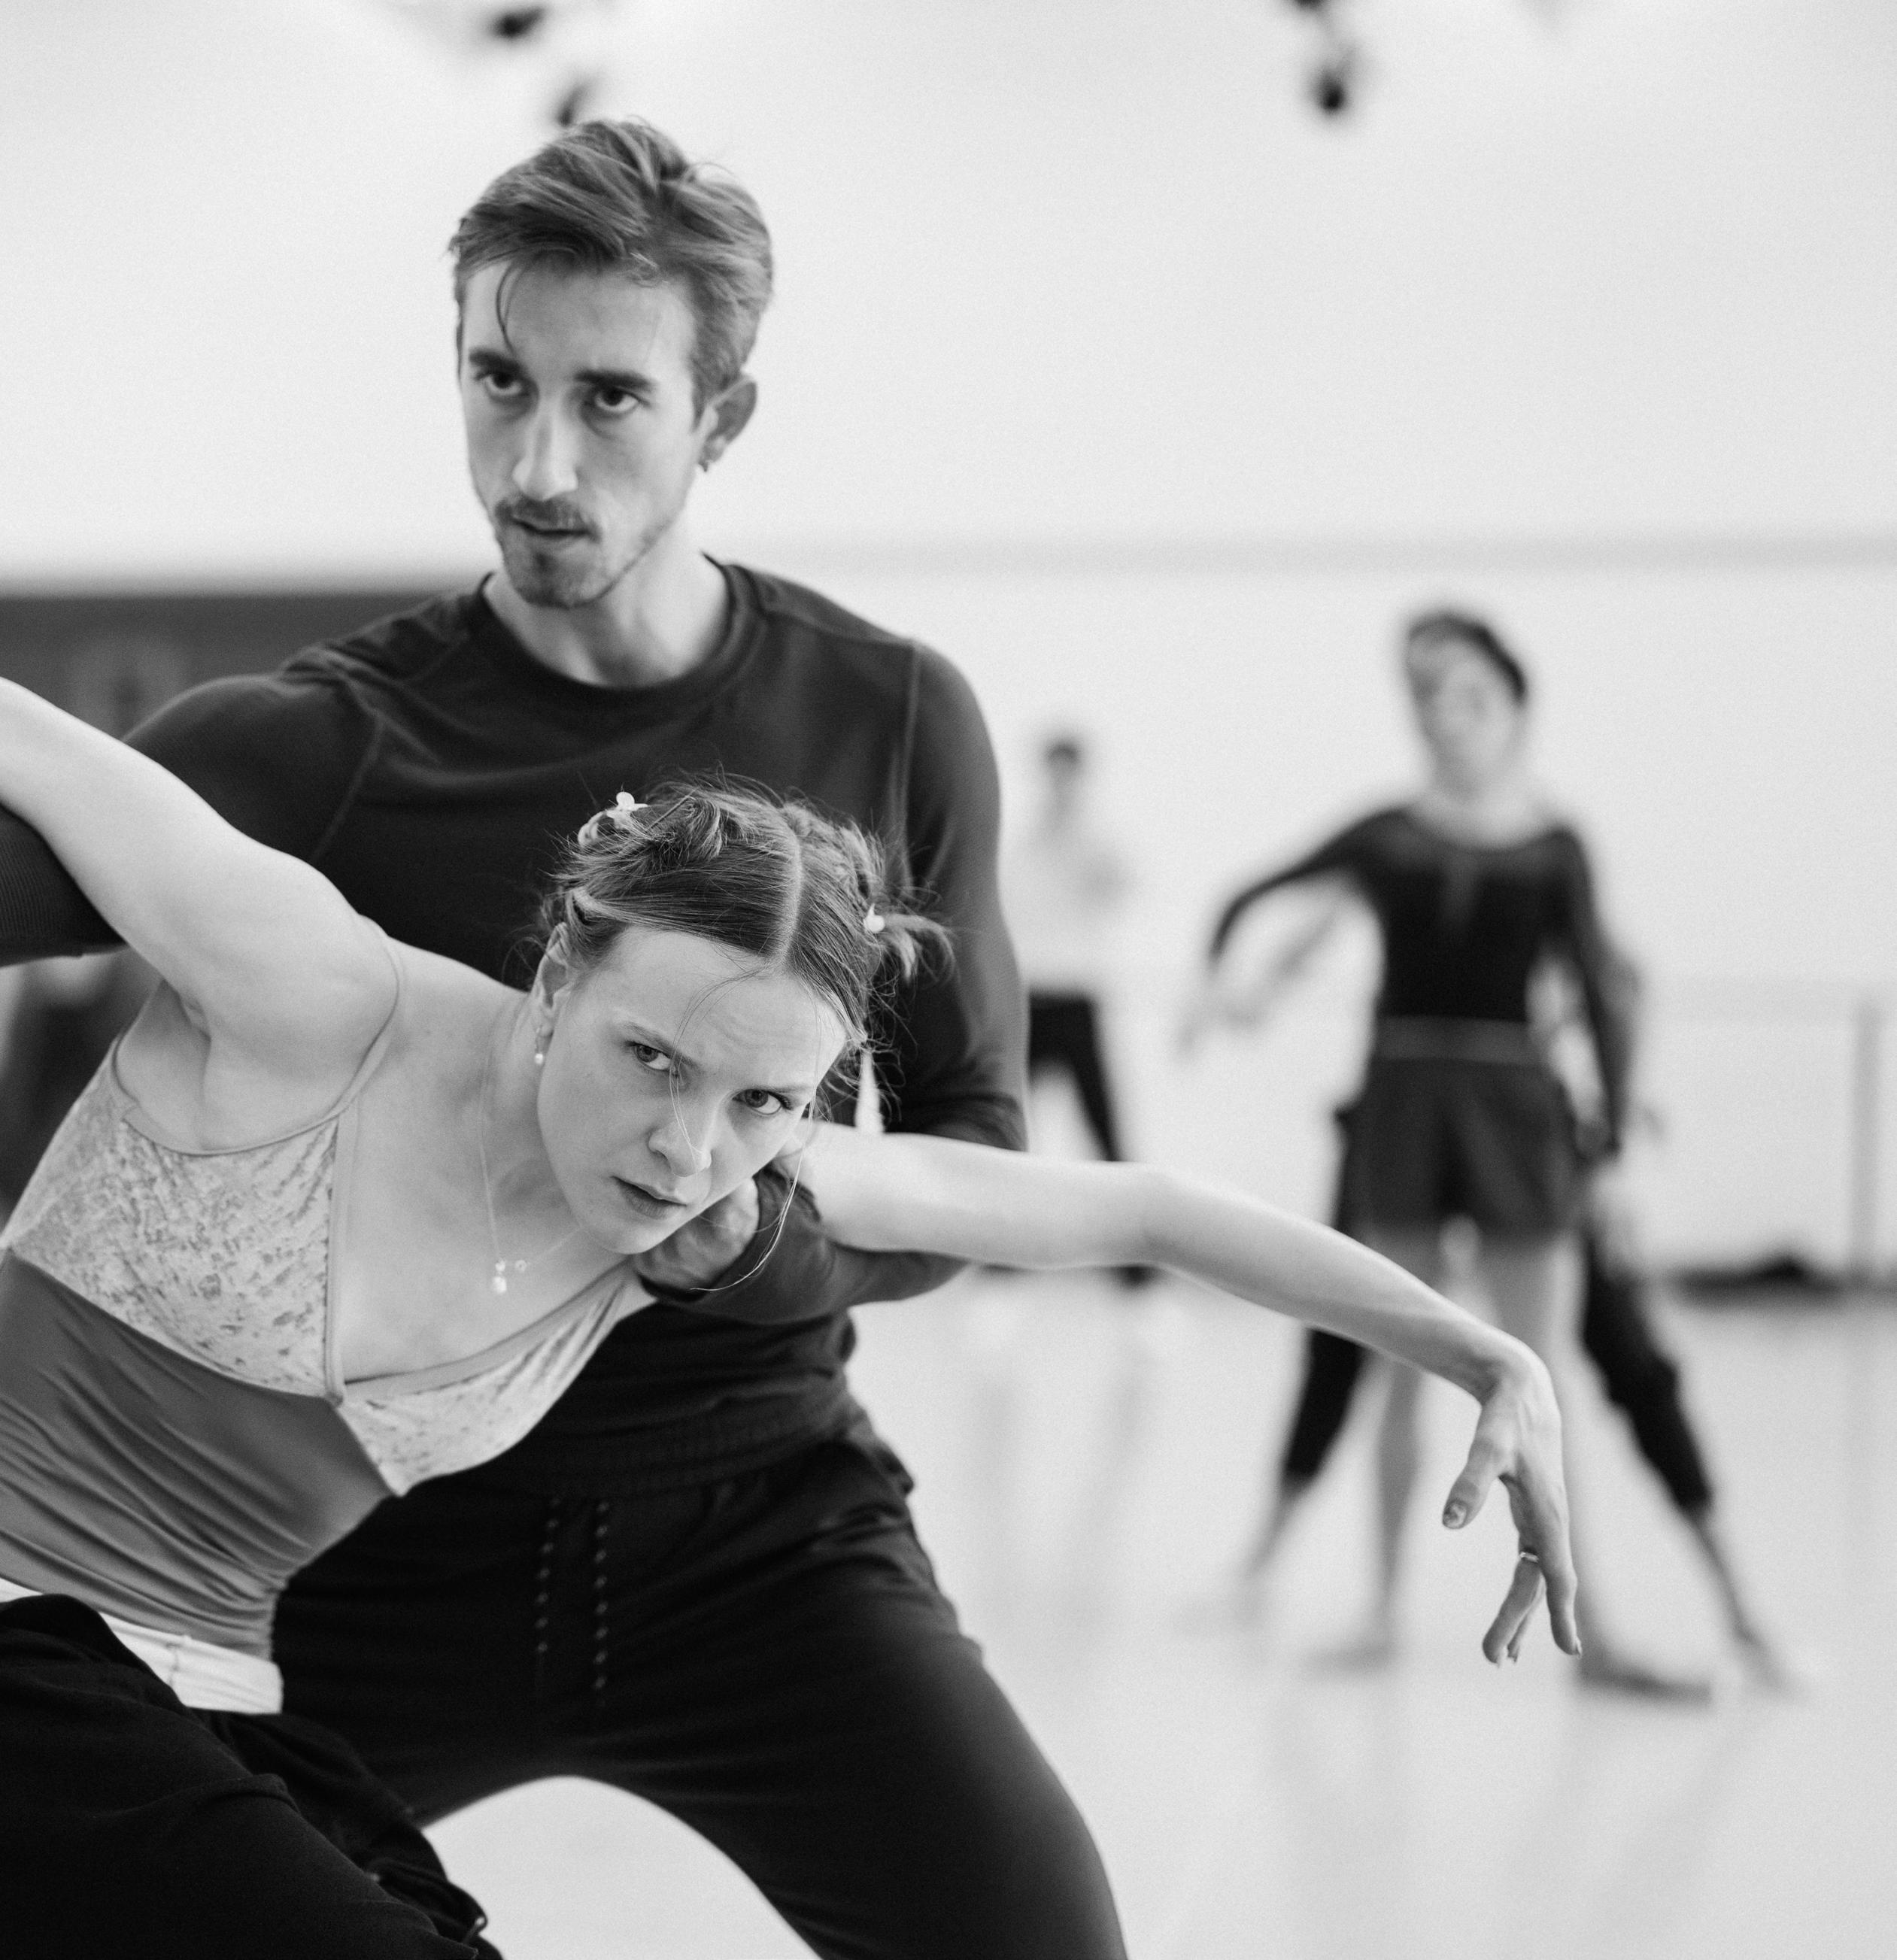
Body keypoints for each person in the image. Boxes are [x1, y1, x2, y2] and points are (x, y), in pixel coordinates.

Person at [0, 687, 1581, 1955]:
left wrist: (1484, 1353)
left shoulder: (715, 1198)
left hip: (206, 1702)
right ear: (558, 974)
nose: (686, 1149)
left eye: (761, 1099)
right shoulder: (315, 994)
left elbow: (1145, 1209)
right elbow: (31, 738)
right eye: (651, 1058)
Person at [0, 115, 1082, 1960]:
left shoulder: (894, 714)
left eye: (609, 398)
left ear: (723, 416)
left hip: (759, 1530)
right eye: (498, 381)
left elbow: (976, 1141)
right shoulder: (322, 745)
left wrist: (747, 1245)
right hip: (382, 1547)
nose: (536, 462)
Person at [1182, 608, 1665, 1685]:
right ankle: (1382, 1608)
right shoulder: (1389, 835)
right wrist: (1217, 981)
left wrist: (1614, 1149)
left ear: (1515, 710)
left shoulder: (1555, 848)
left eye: (1472, 699)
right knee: (1396, 1366)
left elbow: (1602, 989)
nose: (1448, 719)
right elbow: (1248, 895)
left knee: (1539, 1375)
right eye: (1432, 702)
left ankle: (1591, 1620)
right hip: (1404, 1107)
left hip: (1516, 1113)